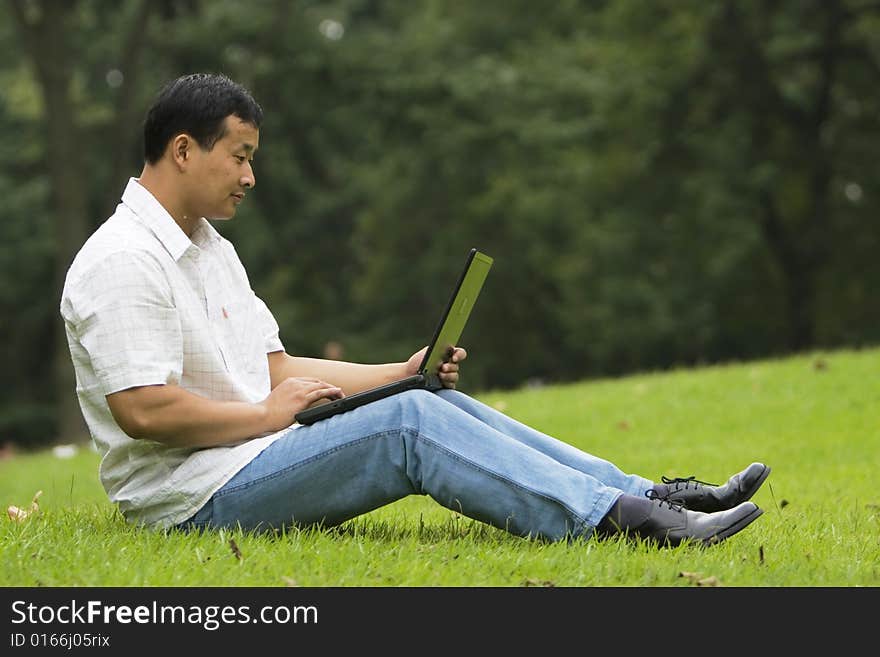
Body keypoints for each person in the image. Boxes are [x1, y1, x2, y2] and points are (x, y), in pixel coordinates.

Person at [60, 72, 770, 549]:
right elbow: (144, 409)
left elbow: (270, 367)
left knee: (427, 400)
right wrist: (266, 417)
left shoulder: (210, 247)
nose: (251, 175)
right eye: (240, 156)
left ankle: (655, 494)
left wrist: (398, 371)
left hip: (249, 452)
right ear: (184, 151)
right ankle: (626, 521)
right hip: (191, 496)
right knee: (410, 424)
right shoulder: (123, 258)